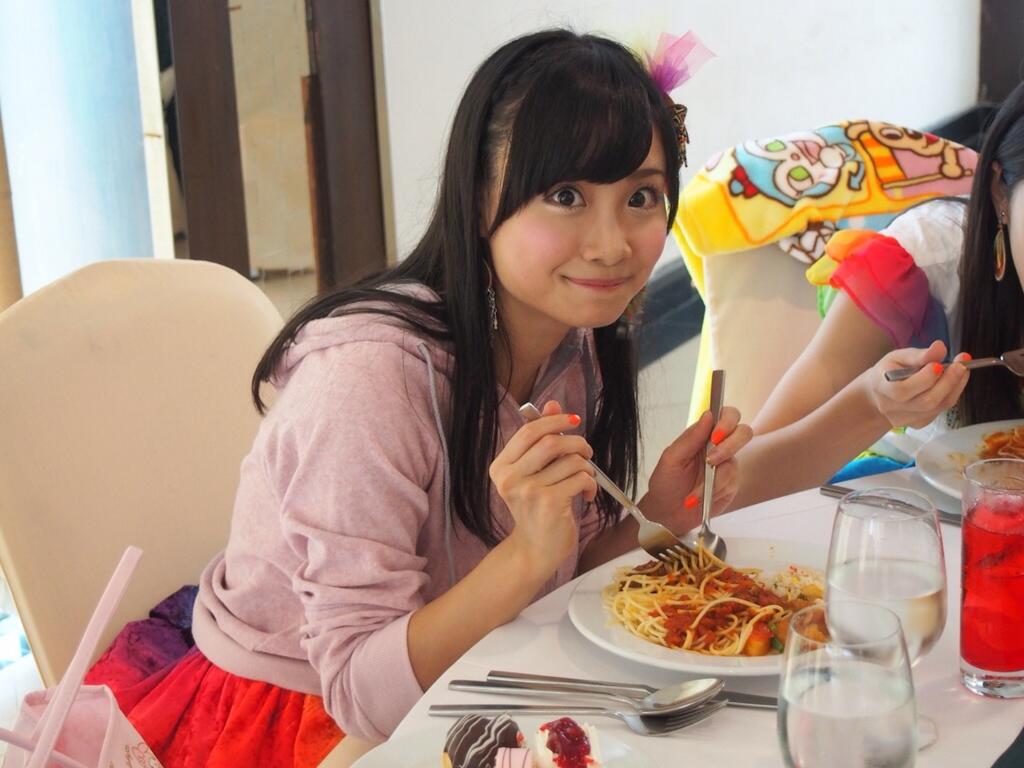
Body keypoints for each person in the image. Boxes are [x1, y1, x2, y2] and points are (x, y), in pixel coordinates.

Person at [85, 29, 750, 766]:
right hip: (296, 720)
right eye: (565, 196)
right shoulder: (368, 379)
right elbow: (362, 698)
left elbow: (558, 573)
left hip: (467, 677)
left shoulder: (571, 336)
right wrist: (526, 556)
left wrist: (659, 510)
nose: (612, 243)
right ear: (477, 198)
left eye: (641, 197)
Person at [729, 82, 1024, 509]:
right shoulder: (921, 264)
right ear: (999, 191)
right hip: (892, 515)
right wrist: (874, 406)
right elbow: (743, 479)